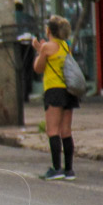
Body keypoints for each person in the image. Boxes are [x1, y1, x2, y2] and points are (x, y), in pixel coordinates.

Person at [32, 15, 78, 181]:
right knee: (66, 130)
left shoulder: (47, 47)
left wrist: (39, 49)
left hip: (53, 90)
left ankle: (56, 167)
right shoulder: (66, 45)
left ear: (49, 30)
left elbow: (38, 68)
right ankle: (69, 169)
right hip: (68, 90)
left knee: (52, 130)